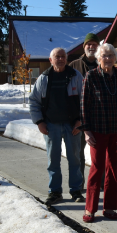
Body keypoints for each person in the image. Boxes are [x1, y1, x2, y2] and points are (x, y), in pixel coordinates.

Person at [28, 47, 85, 206]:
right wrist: (39, 122)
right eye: (57, 57)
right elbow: (34, 102)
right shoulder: (44, 78)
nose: (60, 59)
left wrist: (80, 121)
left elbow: (84, 100)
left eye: (63, 56)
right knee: (53, 160)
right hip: (51, 125)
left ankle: (75, 190)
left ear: (66, 59)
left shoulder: (75, 76)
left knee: (74, 159)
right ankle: (55, 191)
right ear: (50, 60)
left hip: (72, 125)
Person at [79, 43, 117, 223]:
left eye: (110, 55)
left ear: (115, 57)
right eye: (104, 55)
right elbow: (84, 104)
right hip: (97, 130)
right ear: (99, 58)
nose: (107, 58)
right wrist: (86, 130)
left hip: (116, 131)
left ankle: (109, 208)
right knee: (96, 168)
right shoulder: (91, 76)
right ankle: (90, 209)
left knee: (113, 169)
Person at [68, 32, 100, 187]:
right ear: (84, 46)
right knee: (78, 153)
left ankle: (101, 184)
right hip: (79, 117)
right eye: (89, 44)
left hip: (100, 117)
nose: (91, 47)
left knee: (100, 153)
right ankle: (78, 185)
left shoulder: (105, 62)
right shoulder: (74, 65)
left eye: (94, 44)